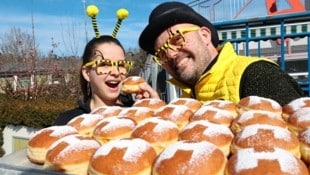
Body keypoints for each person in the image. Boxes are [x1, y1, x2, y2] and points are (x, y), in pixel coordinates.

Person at [138, 1, 305, 106]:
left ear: (204, 36)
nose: (171, 54)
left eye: (177, 40)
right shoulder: (188, 93)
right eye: (161, 53)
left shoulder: (257, 74)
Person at [55, 35, 159, 125]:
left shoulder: (137, 114)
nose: (116, 72)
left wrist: (156, 113)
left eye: (121, 65)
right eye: (105, 64)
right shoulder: (69, 122)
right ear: (87, 73)